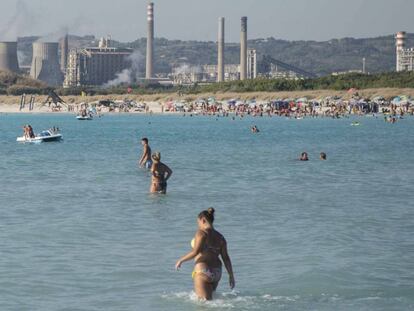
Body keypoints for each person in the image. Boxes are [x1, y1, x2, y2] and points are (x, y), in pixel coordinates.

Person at [175, 208, 235, 301]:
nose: (198, 225)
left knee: (204, 305)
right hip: (217, 273)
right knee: (210, 302)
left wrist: (180, 260)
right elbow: (226, 258)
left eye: (198, 222)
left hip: (203, 271)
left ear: (203, 220)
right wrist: (231, 275)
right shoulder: (221, 237)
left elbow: (195, 252)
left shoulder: (201, 233)